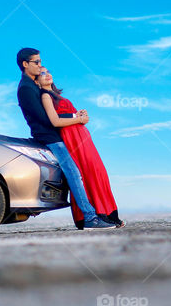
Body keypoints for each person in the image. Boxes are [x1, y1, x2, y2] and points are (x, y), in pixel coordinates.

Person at [15, 48, 116, 230]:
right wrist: (75, 117)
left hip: (53, 136)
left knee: (75, 173)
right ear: (25, 64)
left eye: (40, 62)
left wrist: (73, 114)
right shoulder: (26, 88)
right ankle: (89, 217)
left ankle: (91, 215)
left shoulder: (34, 86)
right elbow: (46, 119)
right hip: (49, 137)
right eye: (36, 62)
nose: (40, 65)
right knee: (74, 173)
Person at [37, 69, 125, 229]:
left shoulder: (57, 95)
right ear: (37, 81)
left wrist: (79, 115)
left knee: (98, 172)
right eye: (42, 74)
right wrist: (77, 118)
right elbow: (55, 121)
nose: (47, 74)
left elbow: (68, 115)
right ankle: (97, 215)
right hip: (71, 138)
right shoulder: (45, 95)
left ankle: (110, 213)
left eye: (48, 72)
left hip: (81, 137)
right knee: (88, 173)